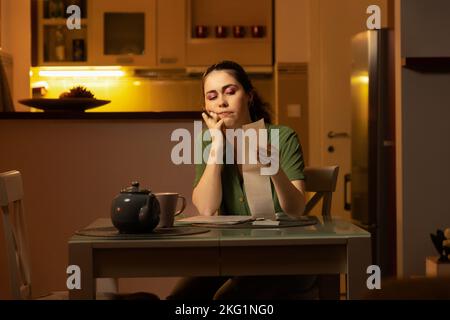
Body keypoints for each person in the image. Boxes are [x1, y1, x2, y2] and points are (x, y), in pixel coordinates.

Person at [167, 61, 317, 300]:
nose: (221, 102)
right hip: (232, 256)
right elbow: (206, 208)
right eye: (212, 96)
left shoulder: (282, 136)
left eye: (230, 91)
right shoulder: (208, 141)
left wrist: (274, 168)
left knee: (226, 300)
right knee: (181, 299)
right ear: (206, 105)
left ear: (248, 95)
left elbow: (297, 209)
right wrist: (216, 147)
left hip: (287, 256)